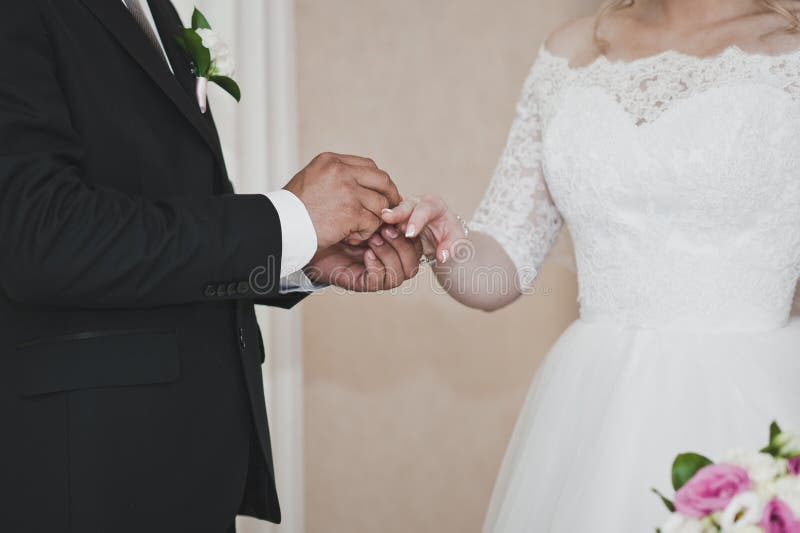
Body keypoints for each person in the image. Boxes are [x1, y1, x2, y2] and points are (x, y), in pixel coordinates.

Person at [0, 1, 421, 532]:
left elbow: (166, 213)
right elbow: (40, 234)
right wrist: (284, 220)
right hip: (87, 471)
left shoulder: (156, 9)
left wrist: (303, 254)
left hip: (183, 462)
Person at [382, 0, 800, 530]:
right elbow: (503, 266)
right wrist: (449, 243)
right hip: (595, 408)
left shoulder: (790, 46)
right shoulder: (570, 49)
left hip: (754, 399)